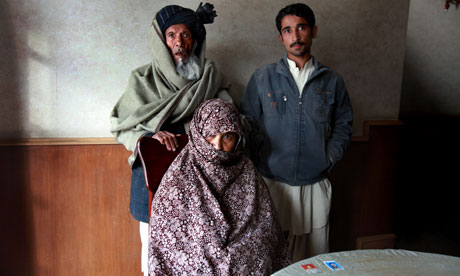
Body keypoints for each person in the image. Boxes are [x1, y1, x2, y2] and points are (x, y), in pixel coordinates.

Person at [109, 3, 234, 275]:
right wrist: (150, 136)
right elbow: (120, 125)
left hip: (202, 184)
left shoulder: (211, 77)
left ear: (196, 40)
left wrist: (211, 135)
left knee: (199, 255)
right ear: (161, 41)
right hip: (153, 182)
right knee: (154, 256)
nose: (180, 42)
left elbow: (232, 122)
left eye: (186, 35)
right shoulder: (141, 80)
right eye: (172, 35)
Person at [240, 3, 353, 262]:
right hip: (272, 181)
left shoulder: (331, 80)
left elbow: (344, 124)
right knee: (269, 251)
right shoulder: (263, 77)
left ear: (313, 31)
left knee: (313, 255)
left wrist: (329, 158)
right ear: (281, 37)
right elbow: (247, 122)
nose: (296, 36)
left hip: (314, 181)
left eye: (301, 27)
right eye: (288, 30)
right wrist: (261, 156)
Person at [148, 99, 291, 275]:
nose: (218, 145)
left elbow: (265, 227)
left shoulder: (247, 170)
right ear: (198, 135)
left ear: (238, 138)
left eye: (228, 137)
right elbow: (169, 243)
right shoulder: (178, 176)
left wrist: (237, 254)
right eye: (210, 135)